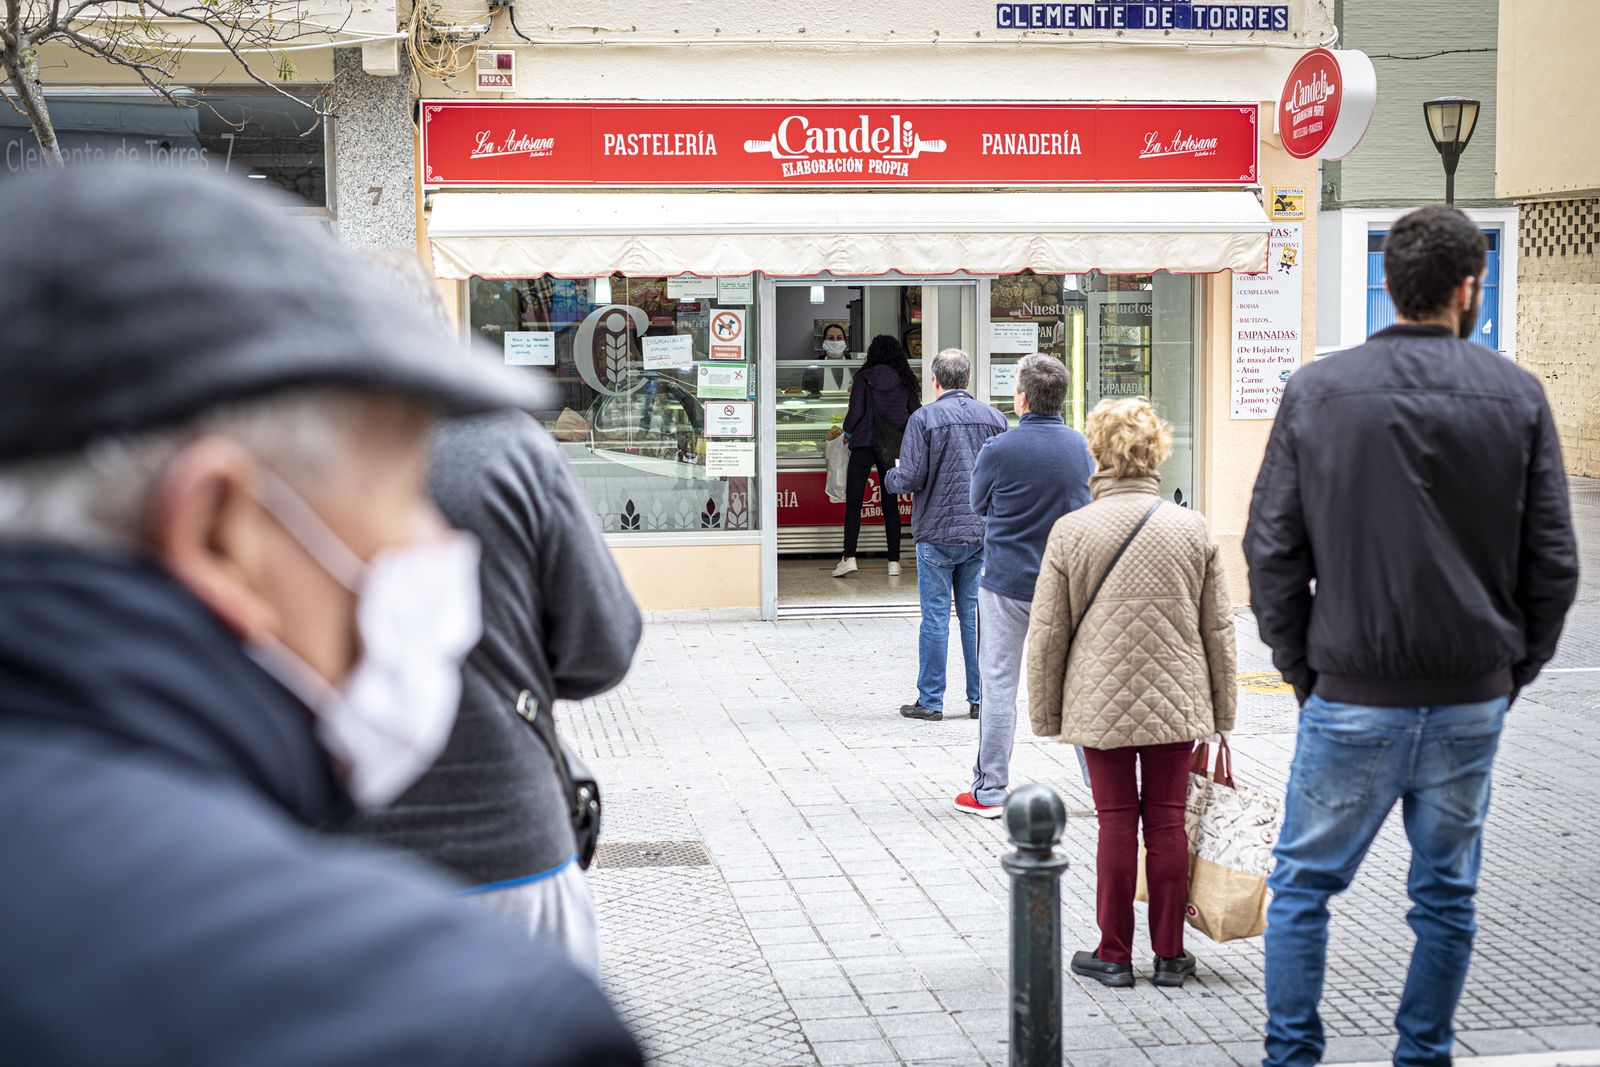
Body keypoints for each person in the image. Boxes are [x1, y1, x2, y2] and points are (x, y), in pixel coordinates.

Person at [0, 166, 641, 1066]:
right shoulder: (473, 1020)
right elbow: (602, 645)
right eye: (399, 492)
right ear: (216, 529)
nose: (430, 543)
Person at [1245, 205, 1579, 1067]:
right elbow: (1554, 564)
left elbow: (1272, 548)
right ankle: (1422, 1053)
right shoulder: (1518, 395)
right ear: (1468, 289)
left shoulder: (1318, 392)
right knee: (1445, 897)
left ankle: (1293, 1055)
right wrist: (1511, 671)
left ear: (1388, 284)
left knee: (1303, 888)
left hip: (1350, 690)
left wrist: (1304, 667)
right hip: (1469, 697)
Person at [346, 336, 641, 972]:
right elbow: (604, 647)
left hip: (332, 863)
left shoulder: (264, 457)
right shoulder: (504, 445)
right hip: (509, 841)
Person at [1026, 397, 1236, 989]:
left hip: (1099, 701)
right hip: (1178, 701)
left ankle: (1114, 954)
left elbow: (1048, 633)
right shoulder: (1191, 528)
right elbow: (1218, 628)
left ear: (1096, 453)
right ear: (1156, 452)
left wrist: (1047, 715)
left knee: (1116, 821)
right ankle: (1171, 955)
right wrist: (1222, 712)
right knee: (1168, 822)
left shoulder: (1071, 531)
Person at [954, 354, 1094, 818]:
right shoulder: (1082, 447)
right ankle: (1102, 790)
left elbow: (977, 504)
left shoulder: (999, 449)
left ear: (1023, 398)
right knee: (1077, 686)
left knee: (998, 684)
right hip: (1067, 582)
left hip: (1006, 582)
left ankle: (991, 790)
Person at [885, 348, 1008, 720]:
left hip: (936, 532)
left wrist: (891, 475)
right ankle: (979, 699)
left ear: (935, 381)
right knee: (973, 616)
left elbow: (909, 478)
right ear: (967, 380)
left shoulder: (924, 419)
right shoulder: (995, 418)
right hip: (980, 532)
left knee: (935, 617)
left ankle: (931, 701)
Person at [834, 333, 920, 579]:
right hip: (893, 446)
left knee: (854, 503)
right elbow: (916, 412)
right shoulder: (905, 379)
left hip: (863, 444)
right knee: (890, 503)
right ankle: (894, 561)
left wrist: (847, 432)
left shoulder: (864, 377)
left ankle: (849, 557)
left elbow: (856, 412)